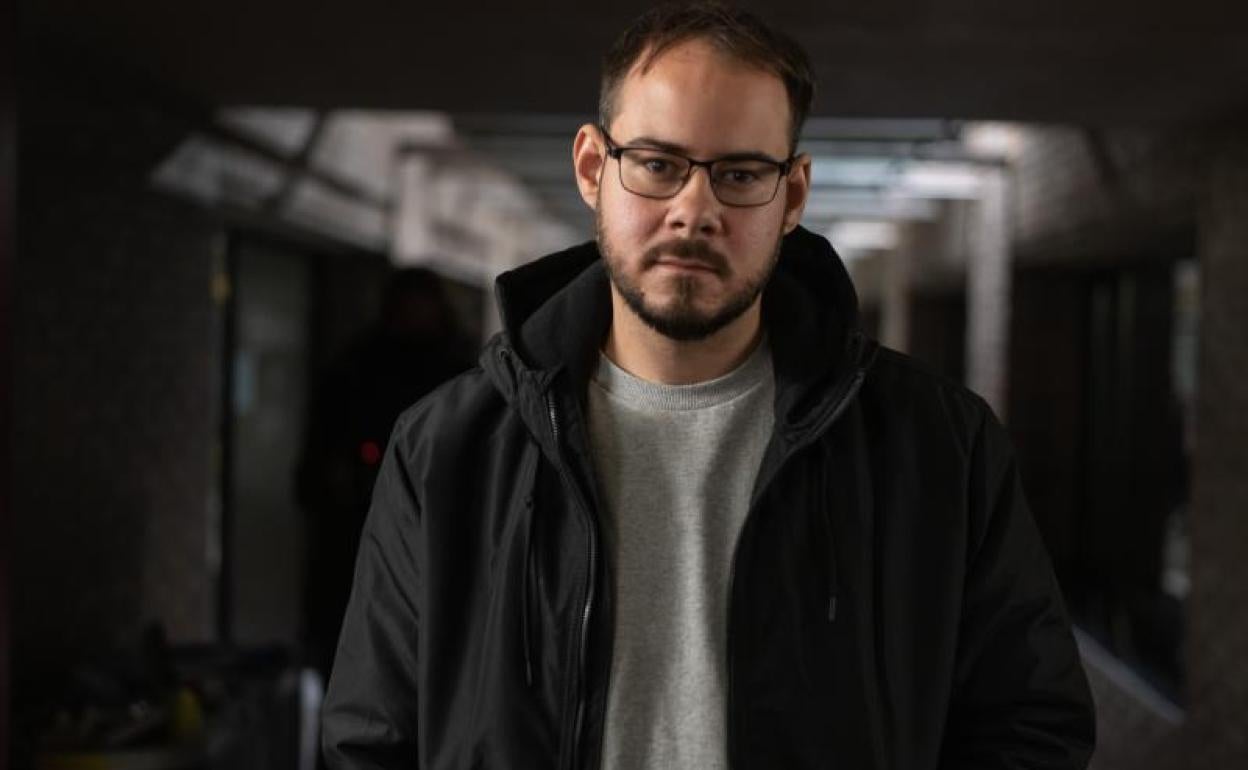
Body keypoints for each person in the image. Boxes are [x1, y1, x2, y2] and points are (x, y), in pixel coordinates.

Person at [321, 3, 1096, 769]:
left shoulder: (938, 447)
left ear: (793, 196)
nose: (694, 212)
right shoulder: (449, 448)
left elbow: (1031, 727)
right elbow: (369, 744)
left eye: (740, 174)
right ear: (593, 169)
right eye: (657, 164)